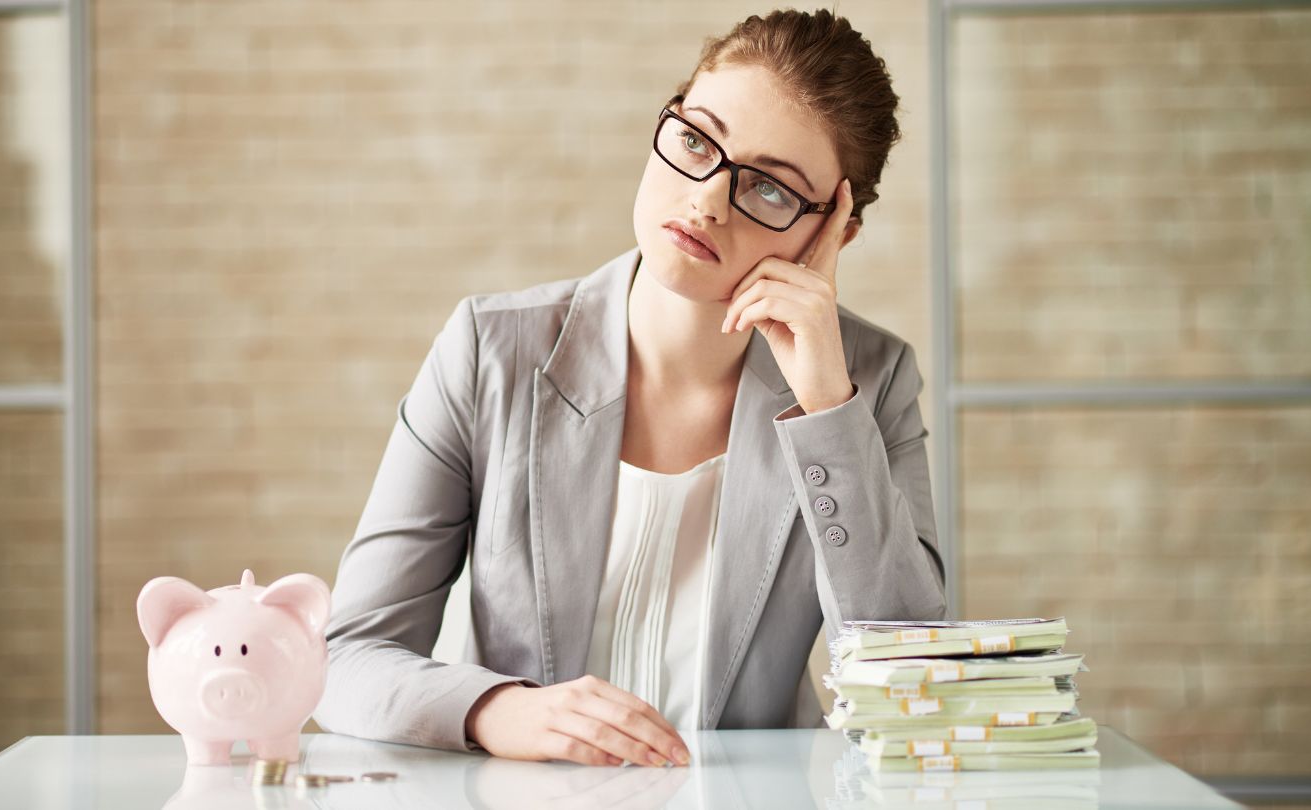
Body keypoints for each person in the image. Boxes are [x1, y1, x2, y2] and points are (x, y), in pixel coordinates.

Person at [313, 9, 947, 769]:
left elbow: (913, 680)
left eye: (771, 191)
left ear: (832, 234)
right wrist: (498, 712)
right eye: (696, 141)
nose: (708, 200)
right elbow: (347, 658)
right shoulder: (491, 351)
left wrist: (826, 409)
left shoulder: (869, 384)